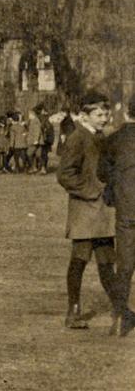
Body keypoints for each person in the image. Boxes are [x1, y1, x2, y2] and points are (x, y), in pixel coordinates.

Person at [58, 92, 118, 330]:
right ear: (85, 115)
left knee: (106, 261)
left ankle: (120, 308)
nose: (104, 118)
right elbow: (64, 175)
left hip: (103, 212)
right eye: (99, 114)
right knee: (79, 261)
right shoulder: (77, 138)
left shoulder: (103, 137)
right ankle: (73, 312)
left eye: (106, 114)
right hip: (85, 210)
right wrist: (92, 191)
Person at [96, 97, 135, 337]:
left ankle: (120, 315)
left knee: (125, 264)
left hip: (127, 209)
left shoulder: (114, 139)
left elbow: (102, 172)